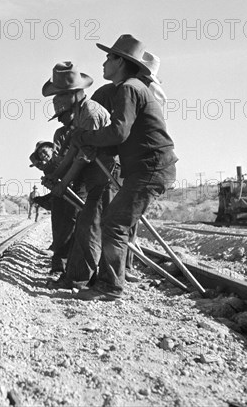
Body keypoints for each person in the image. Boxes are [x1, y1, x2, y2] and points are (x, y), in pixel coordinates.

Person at [71, 34, 177, 301]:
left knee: (114, 223)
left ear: (120, 61)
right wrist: (97, 144)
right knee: (114, 221)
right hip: (148, 167)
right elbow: (123, 137)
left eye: (108, 57)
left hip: (151, 167)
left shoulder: (129, 88)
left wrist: (84, 138)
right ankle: (107, 282)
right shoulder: (133, 87)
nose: (104, 63)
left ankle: (109, 287)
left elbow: (118, 133)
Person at [42, 62, 114, 289]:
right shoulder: (80, 115)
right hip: (95, 175)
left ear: (74, 94)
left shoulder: (90, 114)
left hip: (105, 175)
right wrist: (56, 176)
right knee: (85, 227)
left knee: (90, 227)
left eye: (62, 95)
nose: (61, 118)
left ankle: (83, 280)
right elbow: (73, 151)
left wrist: (62, 183)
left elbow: (83, 157)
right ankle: (78, 277)